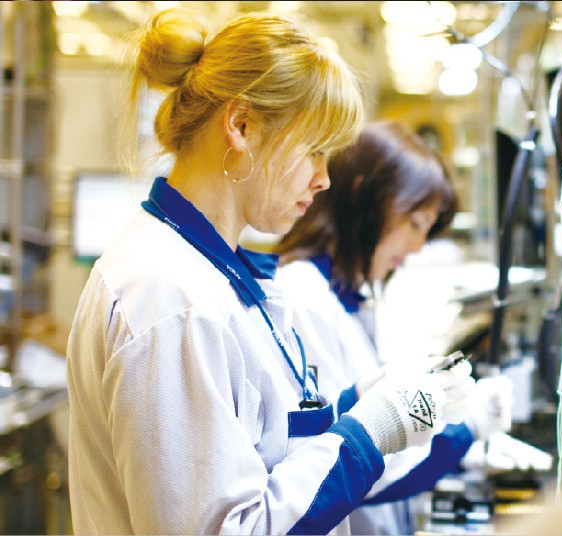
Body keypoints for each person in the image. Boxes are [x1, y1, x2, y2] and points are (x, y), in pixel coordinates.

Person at [65, 9, 474, 535]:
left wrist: (360, 402)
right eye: (315, 151)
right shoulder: (169, 297)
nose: (324, 179)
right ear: (241, 127)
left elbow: (266, 453)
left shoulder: (210, 277)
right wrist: (370, 434)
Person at [272, 121, 515, 535]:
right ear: (366, 199)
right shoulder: (303, 297)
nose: (418, 246)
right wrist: (467, 427)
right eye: (415, 223)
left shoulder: (350, 298)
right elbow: (351, 464)